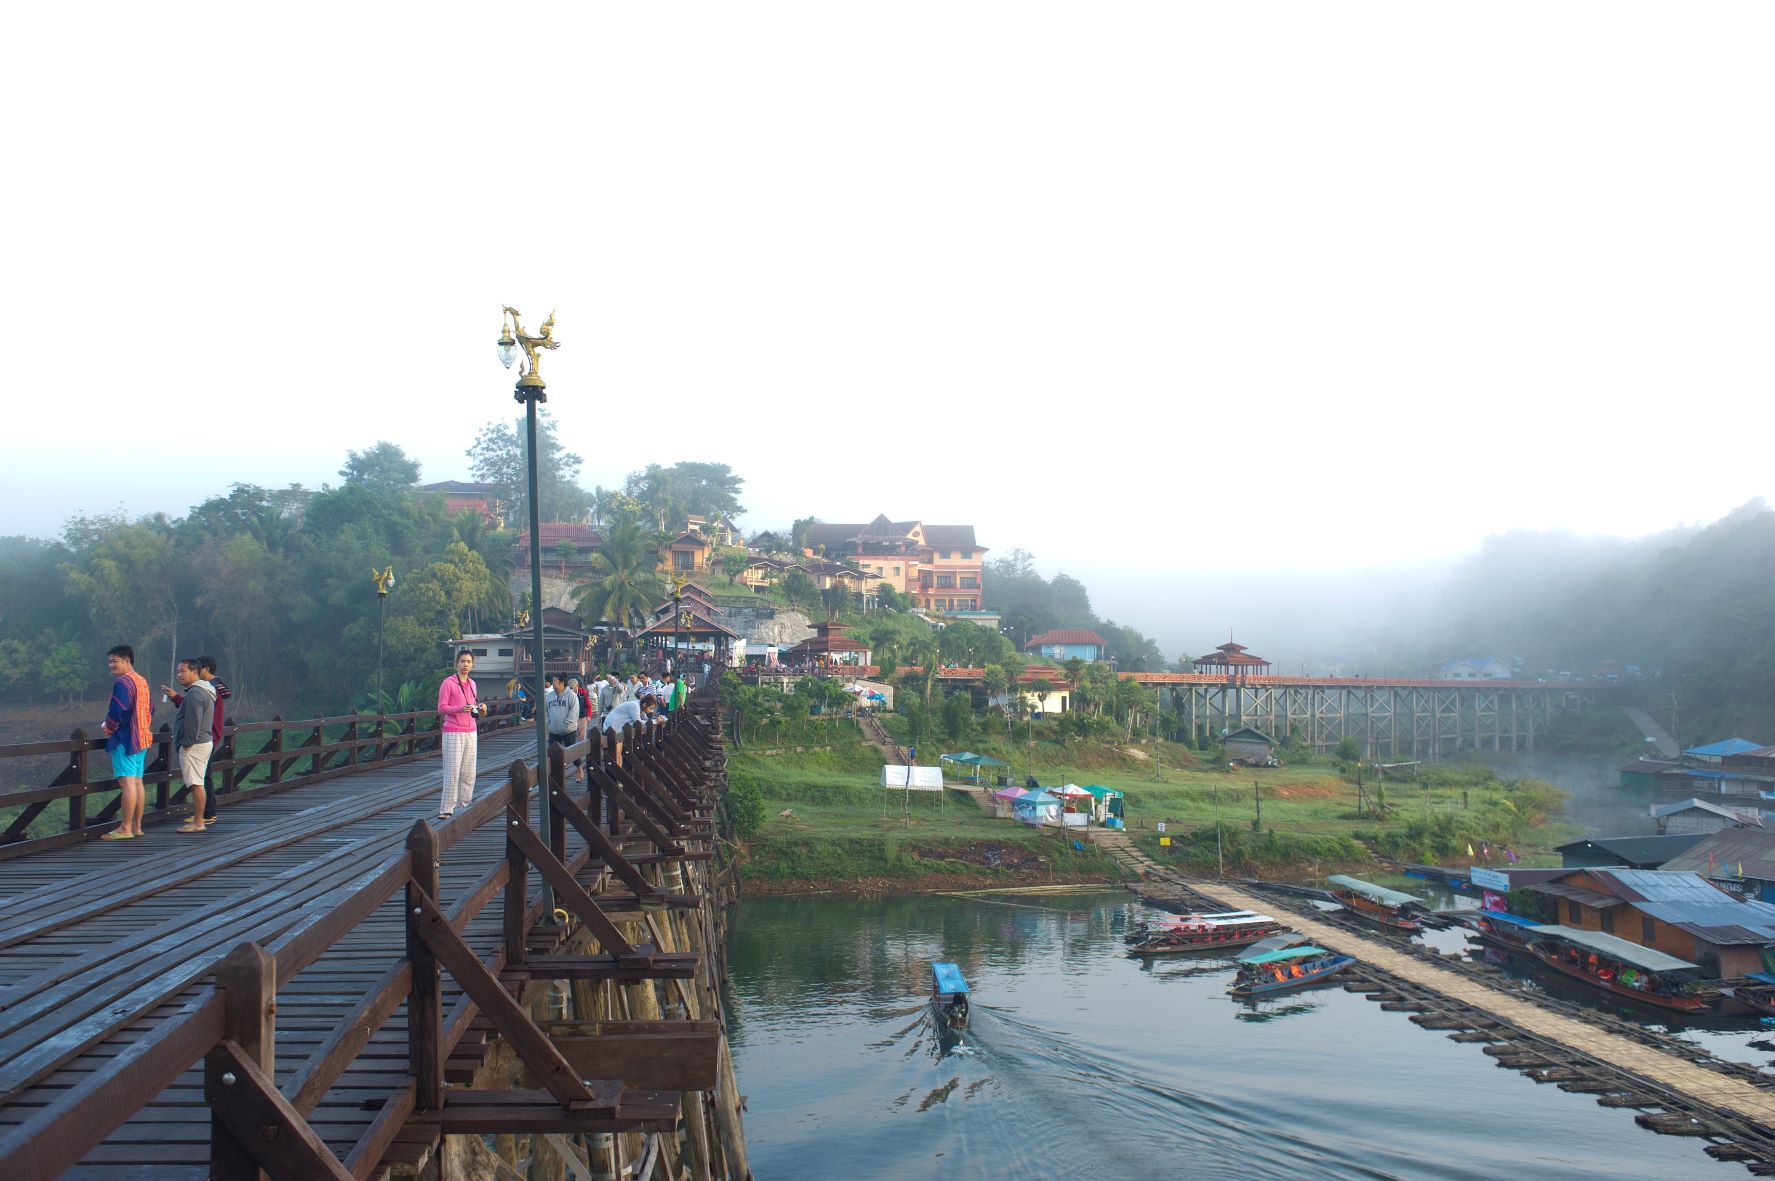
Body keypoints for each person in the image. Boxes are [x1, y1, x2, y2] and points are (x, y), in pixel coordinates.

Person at [165, 654, 229, 825]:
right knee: (201, 779)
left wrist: (186, 743)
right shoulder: (208, 690)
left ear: (202, 670)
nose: (179, 675)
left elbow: (194, 718)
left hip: (200, 740)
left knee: (200, 780)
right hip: (206, 738)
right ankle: (203, 815)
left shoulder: (200, 691)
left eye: (183, 671)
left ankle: (204, 816)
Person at [101, 645, 154, 840]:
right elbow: (151, 709)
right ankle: (136, 826)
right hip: (143, 737)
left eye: (114, 661)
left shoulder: (123, 682)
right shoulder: (141, 681)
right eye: (109, 661)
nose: (111, 665)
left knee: (127, 782)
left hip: (127, 738)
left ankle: (125, 828)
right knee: (138, 782)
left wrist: (108, 727)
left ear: (127, 660)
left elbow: (117, 710)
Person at [437, 649, 485, 817]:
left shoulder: (472, 684)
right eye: (463, 661)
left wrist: (480, 708)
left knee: (469, 773)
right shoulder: (448, 683)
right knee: (452, 772)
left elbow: (473, 705)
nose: (466, 665)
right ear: (457, 663)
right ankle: (446, 809)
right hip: (453, 731)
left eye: (469, 662)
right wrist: (459, 709)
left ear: (472, 665)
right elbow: (442, 707)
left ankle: (464, 807)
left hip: (471, 731)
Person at [601, 692, 656, 768]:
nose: (651, 711)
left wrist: (655, 720)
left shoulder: (640, 707)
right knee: (617, 753)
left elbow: (646, 720)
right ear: (644, 705)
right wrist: (655, 721)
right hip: (612, 727)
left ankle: (619, 772)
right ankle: (617, 772)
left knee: (619, 753)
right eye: (651, 708)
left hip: (618, 728)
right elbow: (638, 722)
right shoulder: (635, 706)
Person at [544, 672, 580, 767]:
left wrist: (567, 724)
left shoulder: (571, 695)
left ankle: (579, 769)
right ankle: (555, 775)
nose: (553, 683)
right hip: (553, 730)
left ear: (561, 683)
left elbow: (574, 711)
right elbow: (545, 711)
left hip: (568, 729)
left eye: (555, 681)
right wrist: (548, 723)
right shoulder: (549, 696)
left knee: (572, 752)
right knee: (552, 753)